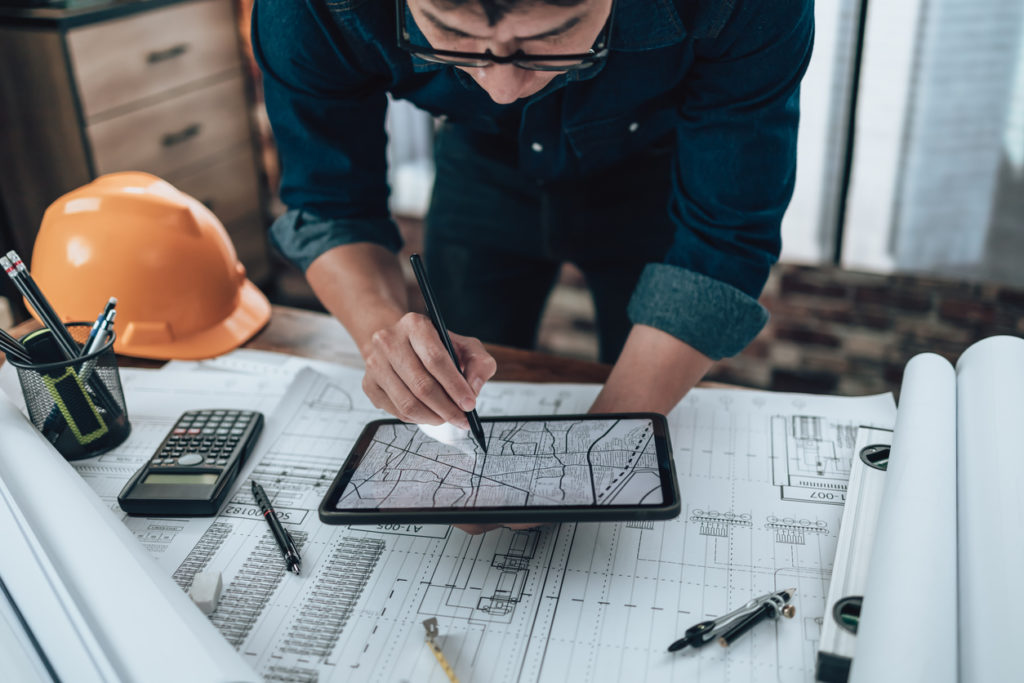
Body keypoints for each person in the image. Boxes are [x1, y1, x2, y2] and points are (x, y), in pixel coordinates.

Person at [253, 0, 813, 515]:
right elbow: (330, 202)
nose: (502, 87)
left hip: (660, 166)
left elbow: (725, 236)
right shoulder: (312, 6)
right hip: (480, 158)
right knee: (449, 373)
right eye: (450, 35)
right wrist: (383, 334)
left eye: (551, 37)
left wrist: (592, 461)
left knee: (651, 421)